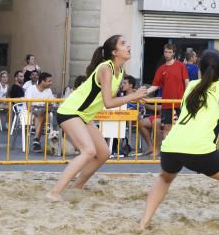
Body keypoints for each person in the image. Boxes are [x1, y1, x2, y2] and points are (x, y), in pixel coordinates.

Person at [140, 49, 219, 235]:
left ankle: (143, 224)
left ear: (199, 70)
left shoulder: (192, 86)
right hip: (200, 150)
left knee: (164, 177)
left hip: (171, 146)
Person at [47, 34, 149, 200]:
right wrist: (133, 96)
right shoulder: (105, 68)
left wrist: (136, 95)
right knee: (88, 151)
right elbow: (109, 102)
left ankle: (77, 186)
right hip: (70, 112)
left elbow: (108, 99)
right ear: (115, 52)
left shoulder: (120, 71)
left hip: (83, 116)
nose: (128, 46)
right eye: (123, 43)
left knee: (103, 153)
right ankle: (54, 192)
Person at [148, 43, 190, 139]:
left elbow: (187, 83)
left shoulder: (181, 66)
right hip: (166, 104)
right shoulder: (161, 69)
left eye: (170, 52)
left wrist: (187, 98)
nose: (167, 54)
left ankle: (180, 152)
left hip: (180, 103)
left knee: (181, 128)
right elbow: (155, 85)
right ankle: (167, 152)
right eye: (166, 52)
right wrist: (143, 93)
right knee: (166, 127)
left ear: (173, 53)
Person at [28, 72, 55, 151]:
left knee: (42, 113)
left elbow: (52, 103)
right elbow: (28, 105)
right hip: (31, 112)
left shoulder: (49, 90)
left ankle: (36, 140)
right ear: (42, 81)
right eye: (49, 81)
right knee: (41, 114)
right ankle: (37, 140)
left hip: (44, 112)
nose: (51, 83)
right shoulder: (31, 89)